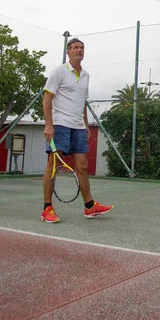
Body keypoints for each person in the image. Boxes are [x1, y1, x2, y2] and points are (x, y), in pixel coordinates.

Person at [41, 38, 114, 223]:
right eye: (75, 47)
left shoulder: (86, 76)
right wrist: (49, 125)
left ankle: (89, 207)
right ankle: (46, 209)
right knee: (53, 166)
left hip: (78, 127)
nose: (79, 50)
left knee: (82, 165)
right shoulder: (59, 71)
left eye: (82, 48)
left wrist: (86, 124)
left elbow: (82, 103)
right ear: (68, 52)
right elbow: (47, 99)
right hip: (60, 125)